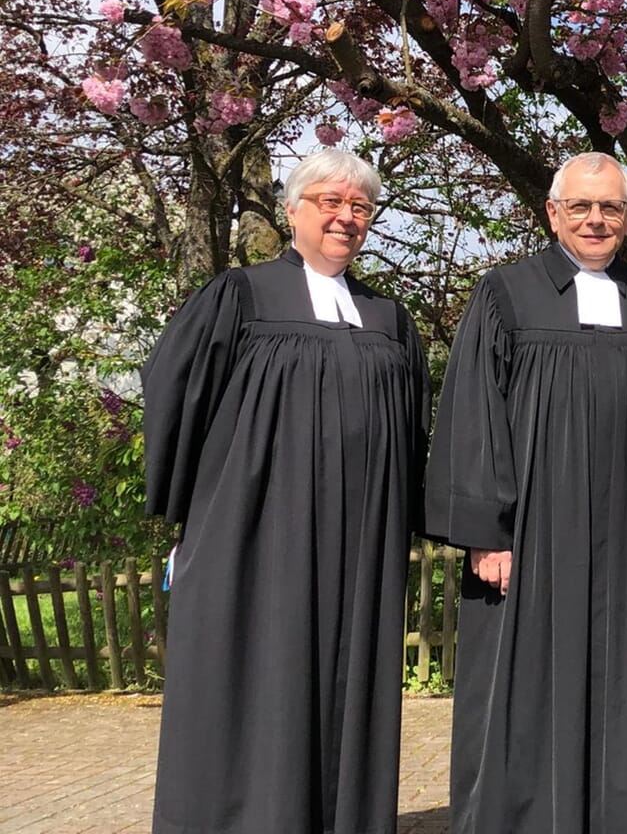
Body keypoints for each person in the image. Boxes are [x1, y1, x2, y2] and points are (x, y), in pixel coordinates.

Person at [144, 150, 431, 834]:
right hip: (256, 531)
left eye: (360, 207)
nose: (346, 217)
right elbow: (176, 393)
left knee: (345, 686)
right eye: (330, 201)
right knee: (256, 678)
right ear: (293, 210)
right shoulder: (240, 296)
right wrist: (201, 514)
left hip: (362, 543)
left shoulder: (389, 319)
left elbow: (414, 424)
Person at [424, 152, 627, 834]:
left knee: (622, 685)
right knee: (520, 689)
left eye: (610, 208)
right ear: (552, 213)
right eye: (581, 206)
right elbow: (474, 413)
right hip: (529, 536)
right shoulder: (506, 293)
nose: (595, 219)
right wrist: (487, 531)